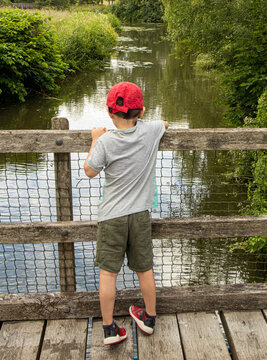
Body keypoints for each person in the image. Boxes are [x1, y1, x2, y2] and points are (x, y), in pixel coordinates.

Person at [84, 81, 168, 346]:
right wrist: (152, 123)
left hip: (112, 217)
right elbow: (164, 123)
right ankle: (149, 318)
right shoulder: (151, 131)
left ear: (110, 112)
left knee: (108, 273)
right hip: (140, 215)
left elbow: (90, 170)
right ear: (141, 111)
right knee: (145, 269)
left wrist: (95, 139)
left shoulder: (106, 141)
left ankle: (109, 328)